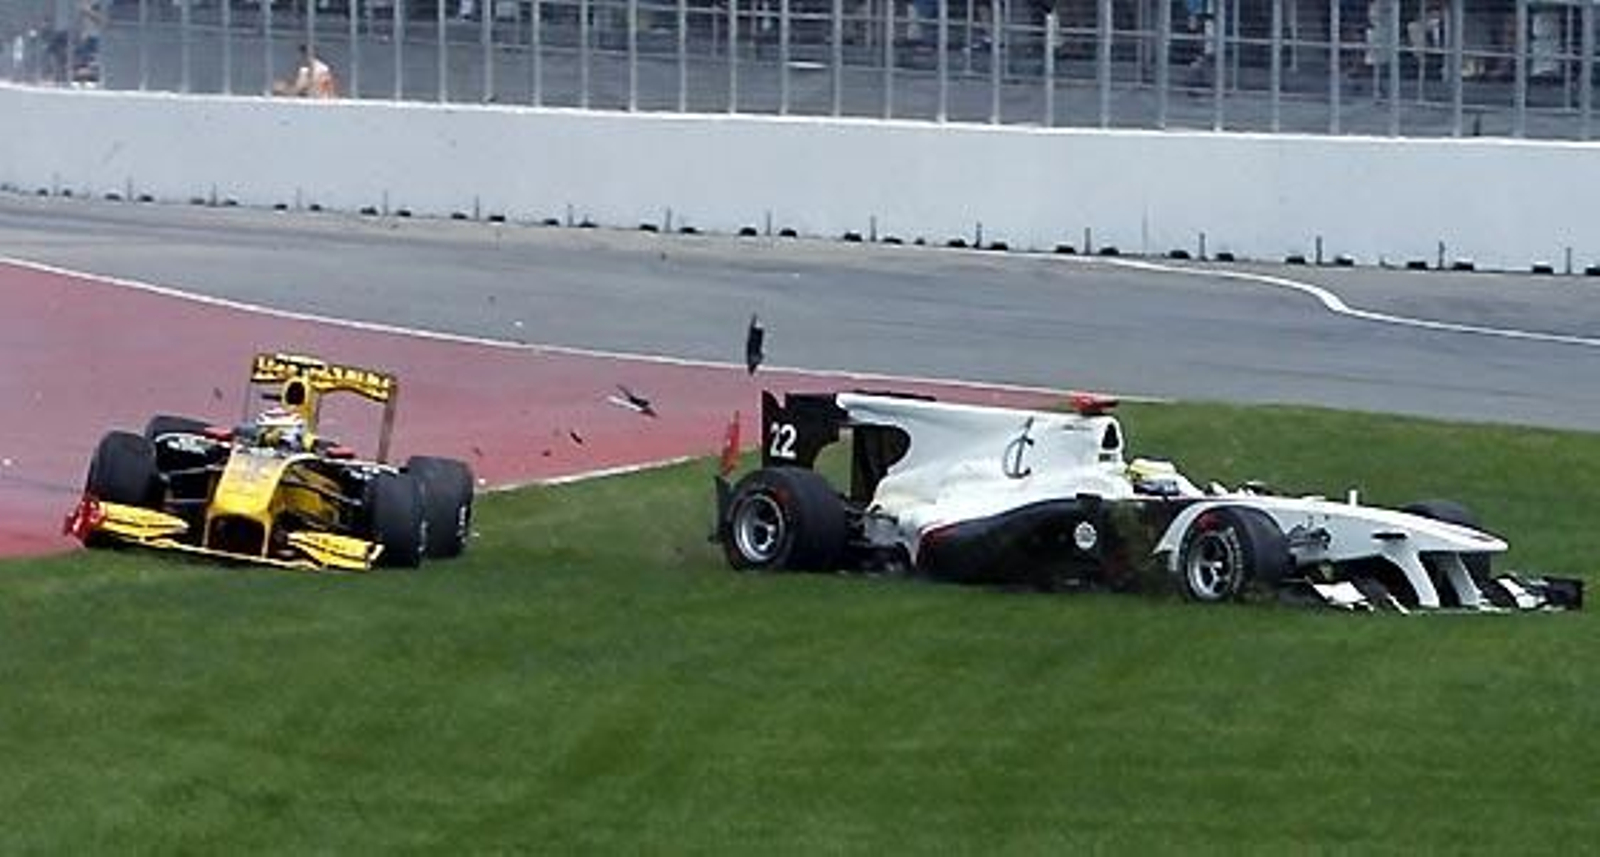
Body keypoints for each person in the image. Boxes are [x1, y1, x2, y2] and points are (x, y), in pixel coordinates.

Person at [272, 43, 337, 99]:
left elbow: (329, 87)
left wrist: (283, 89)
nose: (301, 56)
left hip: (318, 101)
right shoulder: (304, 70)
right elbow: (297, 88)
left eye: (304, 54)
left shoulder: (322, 68)